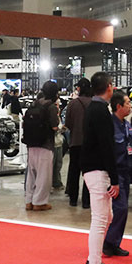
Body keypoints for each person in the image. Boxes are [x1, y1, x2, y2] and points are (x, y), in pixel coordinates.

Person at [80, 72, 123, 264]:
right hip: (98, 170)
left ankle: (94, 260)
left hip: (93, 168)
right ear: (108, 87)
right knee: (100, 220)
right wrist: (114, 178)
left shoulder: (94, 108)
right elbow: (107, 146)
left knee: (106, 217)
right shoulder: (100, 111)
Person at [104, 90, 132, 257]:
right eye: (127, 104)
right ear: (118, 106)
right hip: (115, 172)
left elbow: (131, 149)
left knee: (123, 210)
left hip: (126, 171)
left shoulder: (127, 125)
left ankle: (114, 243)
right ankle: (108, 242)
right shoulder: (109, 126)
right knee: (120, 208)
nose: (130, 106)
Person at [23, 81, 61, 212]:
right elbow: (54, 126)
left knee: (31, 174)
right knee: (44, 175)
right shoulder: (51, 107)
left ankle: (29, 201)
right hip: (45, 143)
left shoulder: (34, 104)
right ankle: (39, 202)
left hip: (31, 143)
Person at [65, 78, 93, 208]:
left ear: (79, 89)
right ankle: (86, 201)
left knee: (74, 171)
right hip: (90, 144)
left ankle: (73, 199)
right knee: (89, 172)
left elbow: (68, 123)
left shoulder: (72, 104)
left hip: (75, 142)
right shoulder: (94, 103)